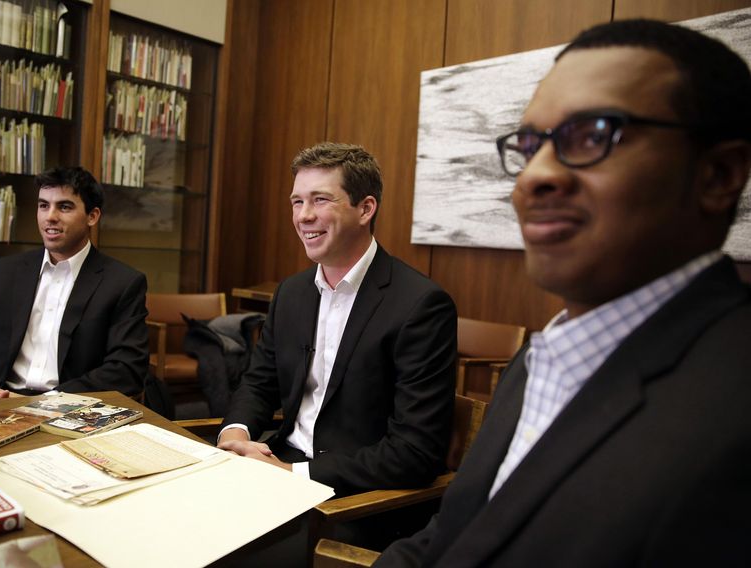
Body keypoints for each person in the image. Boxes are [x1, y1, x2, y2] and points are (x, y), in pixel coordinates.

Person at [376, 18, 751, 567]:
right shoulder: (539, 358)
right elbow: (453, 536)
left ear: (718, 174)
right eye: (530, 145)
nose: (533, 177)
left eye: (593, 136)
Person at [218, 142, 457, 498]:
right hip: (277, 463)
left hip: (356, 493)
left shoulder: (421, 305)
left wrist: (290, 474)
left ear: (365, 209)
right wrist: (235, 435)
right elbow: (259, 382)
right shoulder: (292, 293)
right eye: (297, 202)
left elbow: (415, 452)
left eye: (320, 200)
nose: (303, 216)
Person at [0, 166, 149, 398]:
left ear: (93, 216)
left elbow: (126, 370)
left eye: (65, 207)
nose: (50, 216)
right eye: (43, 205)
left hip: (70, 407)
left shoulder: (123, 283)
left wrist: (47, 402)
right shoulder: (3, 273)